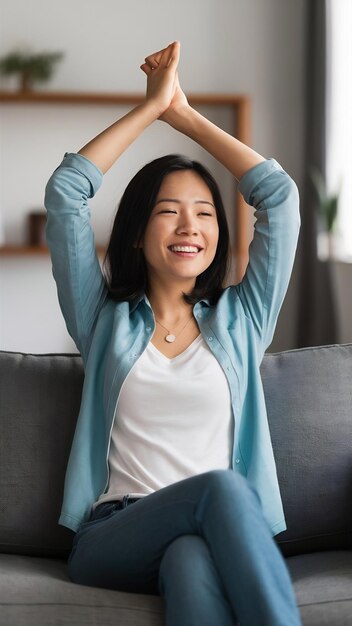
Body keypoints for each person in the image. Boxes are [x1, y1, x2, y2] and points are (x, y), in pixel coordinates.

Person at [45, 41, 302, 626]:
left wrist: (185, 116)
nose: (190, 226)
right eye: (169, 211)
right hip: (115, 533)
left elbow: (279, 198)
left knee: (189, 562)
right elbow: (66, 194)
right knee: (224, 490)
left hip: (206, 531)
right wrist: (151, 109)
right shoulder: (102, 319)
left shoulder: (244, 320)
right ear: (138, 231)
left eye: (206, 212)